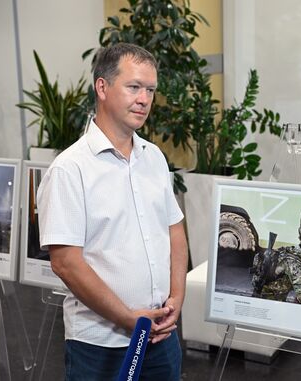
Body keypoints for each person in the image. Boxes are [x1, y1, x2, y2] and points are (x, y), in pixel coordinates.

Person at [37, 43, 188, 381]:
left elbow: (174, 231)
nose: (144, 99)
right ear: (102, 88)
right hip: (99, 345)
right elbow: (66, 262)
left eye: (150, 90)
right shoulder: (70, 169)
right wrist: (128, 319)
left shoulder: (154, 158)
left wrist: (177, 297)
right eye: (134, 87)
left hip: (161, 337)